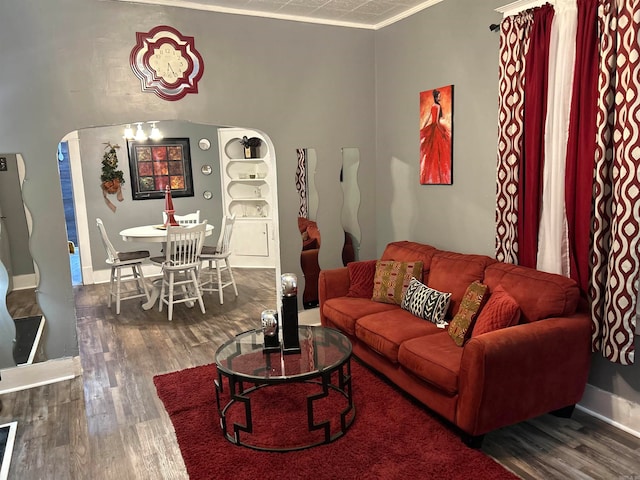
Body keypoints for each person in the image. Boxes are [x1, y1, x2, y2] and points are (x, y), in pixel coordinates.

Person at [420, 89, 452, 184]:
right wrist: (441, 131)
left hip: (432, 127)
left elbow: (429, 117)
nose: (440, 97)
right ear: (436, 97)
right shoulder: (438, 106)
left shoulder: (433, 106)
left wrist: (424, 126)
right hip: (436, 127)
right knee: (438, 150)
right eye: (439, 96)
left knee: (431, 151)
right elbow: (437, 121)